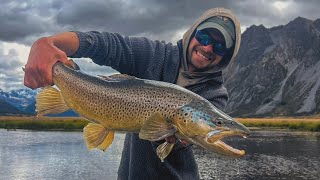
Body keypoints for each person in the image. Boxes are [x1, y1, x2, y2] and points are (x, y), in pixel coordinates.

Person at [24, 7, 241, 180]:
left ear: (227, 56)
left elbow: (189, 141)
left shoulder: (215, 94)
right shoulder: (155, 55)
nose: (208, 47)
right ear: (192, 33)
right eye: (204, 37)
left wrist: (175, 138)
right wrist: (49, 44)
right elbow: (109, 45)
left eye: (220, 47)